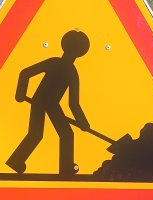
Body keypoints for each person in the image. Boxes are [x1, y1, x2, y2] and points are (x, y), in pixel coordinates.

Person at [6, 30, 90, 176]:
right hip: (46, 103)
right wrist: (82, 122)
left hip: (43, 102)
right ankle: (66, 169)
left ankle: (16, 160)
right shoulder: (71, 71)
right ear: (82, 52)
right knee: (64, 134)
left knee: (37, 134)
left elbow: (25, 73)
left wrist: (20, 93)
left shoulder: (55, 63)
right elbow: (73, 103)